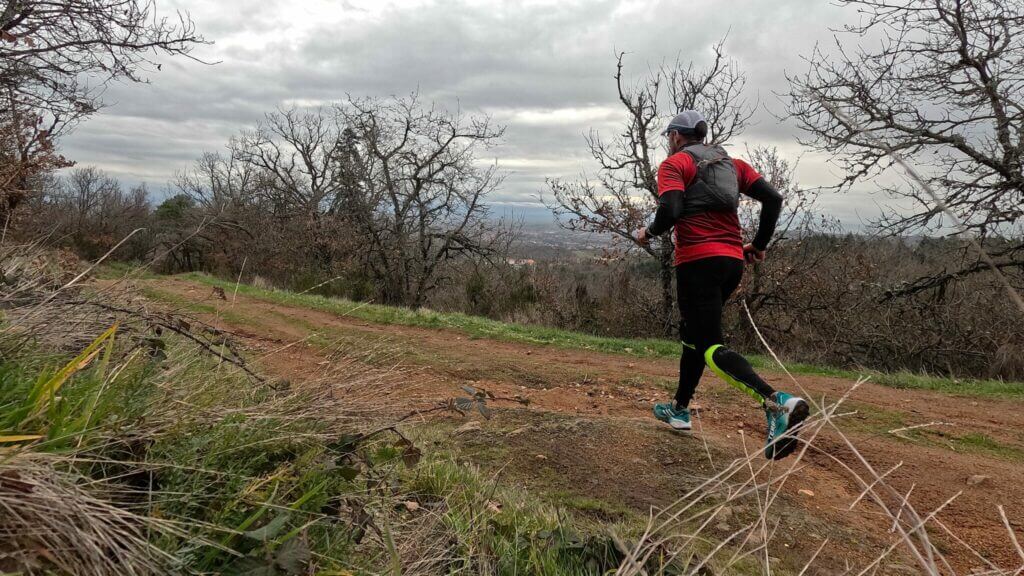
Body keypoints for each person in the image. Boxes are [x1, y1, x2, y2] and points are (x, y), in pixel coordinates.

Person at [635, 110, 809, 460]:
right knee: (693, 335)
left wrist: (648, 232)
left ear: (675, 137)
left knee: (711, 346)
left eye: (668, 136)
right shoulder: (733, 164)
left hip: (697, 262)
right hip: (731, 262)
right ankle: (680, 410)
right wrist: (758, 246)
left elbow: (670, 210)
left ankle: (777, 403)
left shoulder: (675, 165)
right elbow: (773, 199)